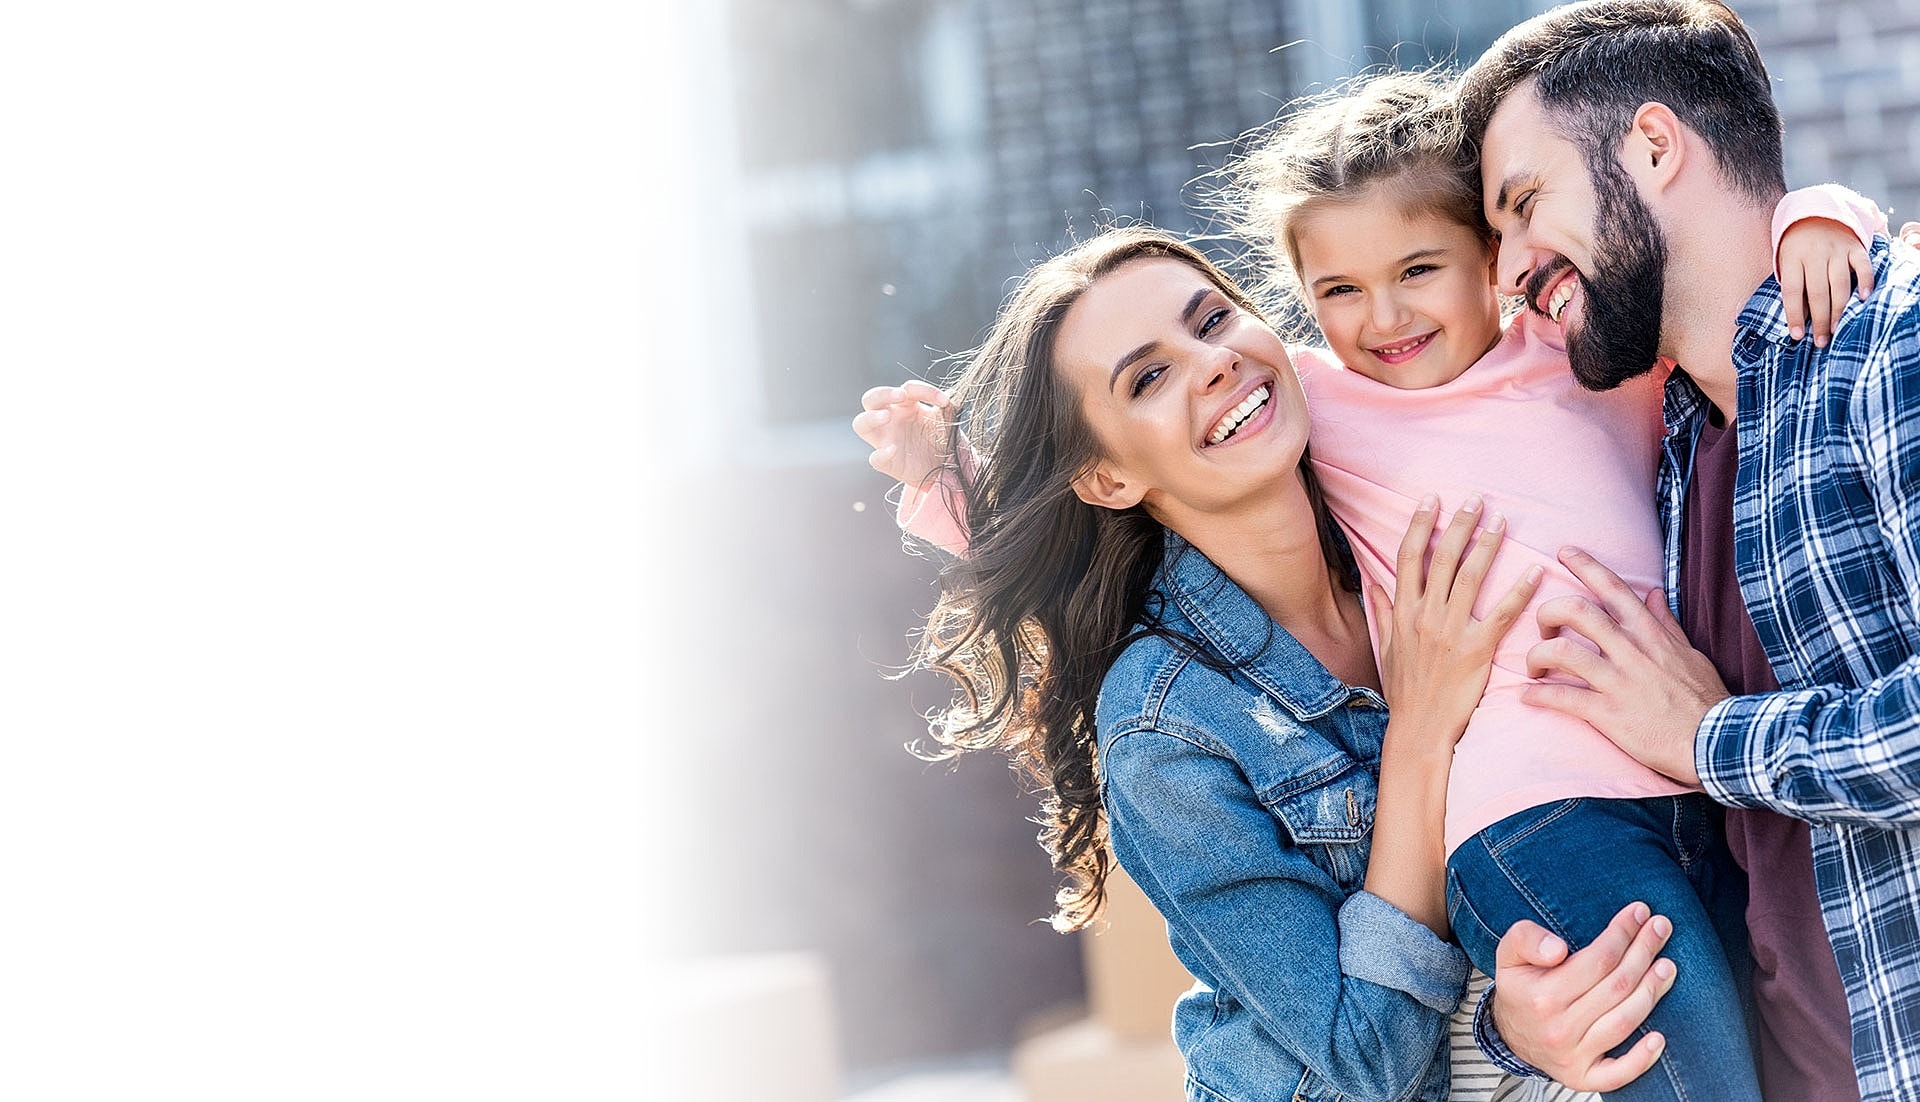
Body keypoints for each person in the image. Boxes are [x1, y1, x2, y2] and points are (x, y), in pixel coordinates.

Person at [862, 69, 1872, 1100]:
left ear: (1493, 259)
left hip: (1687, 792)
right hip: (1539, 826)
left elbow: (1704, 284)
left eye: (1212, 322)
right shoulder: (1311, 446)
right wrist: (948, 478)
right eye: (1338, 292)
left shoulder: (1550, 361)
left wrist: (1820, 218)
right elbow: (1061, 515)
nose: (1381, 316)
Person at [1455, 1, 1920, 1099]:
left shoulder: (1890, 350)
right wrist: (1528, 1022)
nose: (1510, 268)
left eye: (1526, 206)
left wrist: (1709, 736)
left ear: (1655, 146)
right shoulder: (1658, 452)